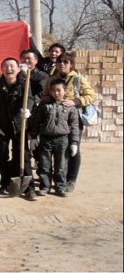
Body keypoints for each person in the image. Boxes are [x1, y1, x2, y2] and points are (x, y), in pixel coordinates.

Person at [41, 52, 96, 193]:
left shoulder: (78, 79)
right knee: (58, 152)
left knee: (73, 149)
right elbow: (45, 95)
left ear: (71, 65)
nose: (62, 64)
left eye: (66, 62)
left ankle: (71, 179)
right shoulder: (51, 80)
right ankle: (57, 180)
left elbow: (91, 95)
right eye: (60, 62)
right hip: (55, 120)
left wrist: (75, 101)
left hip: (73, 119)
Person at [0, 58, 36, 200]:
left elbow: (30, 99)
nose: (9, 69)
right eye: (5, 66)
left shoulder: (24, 83)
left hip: (19, 125)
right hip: (2, 126)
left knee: (22, 155)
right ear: (1, 69)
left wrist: (28, 110)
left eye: (12, 66)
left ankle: (29, 187)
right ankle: (5, 183)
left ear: (18, 69)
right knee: (1, 153)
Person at [30, 79, 80, 197]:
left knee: (61, 165)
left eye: (59, 90)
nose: (56, 93)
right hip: (45, 138)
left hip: (62, 139)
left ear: (65, 91)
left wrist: (74, 142)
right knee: (44, 165)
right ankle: (45, 186)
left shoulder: (70, 108)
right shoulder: (44, 105)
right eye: (53, 90)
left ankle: (60, 187)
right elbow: (36, 122)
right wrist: (33, 137)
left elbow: (74, 125)